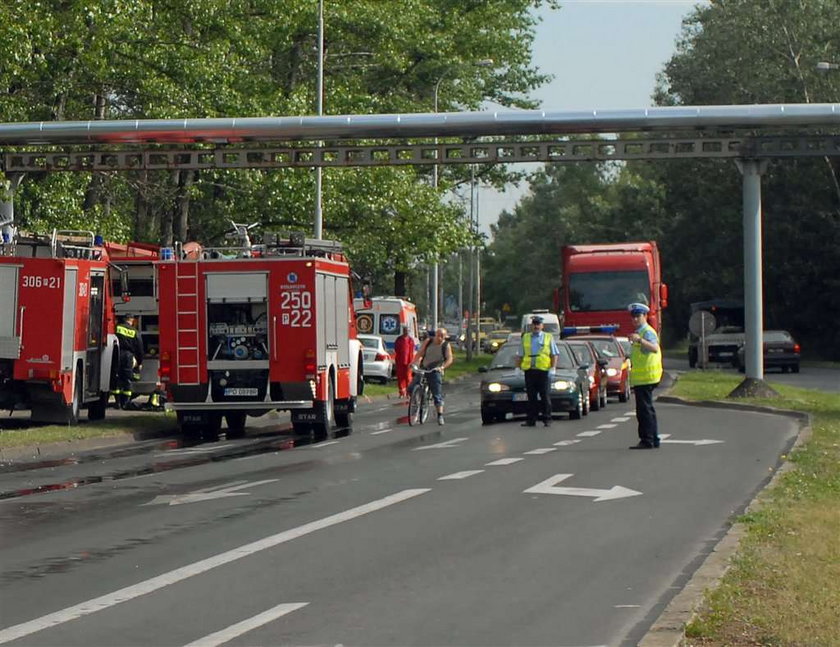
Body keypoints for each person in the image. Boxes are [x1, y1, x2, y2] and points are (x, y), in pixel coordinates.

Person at [627, 302, 663, 449]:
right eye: (633, 317)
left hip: (647, 377)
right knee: (647, 409)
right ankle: (653, 439)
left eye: (638, 316)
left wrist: (639, 340)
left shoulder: (646, 332)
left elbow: (654, 348)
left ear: (645, 316)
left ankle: (647, 439)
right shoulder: (641, 332)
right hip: (643, 378)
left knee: (644, 411)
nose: (635, 319)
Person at [515, 315, 559, 427]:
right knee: (531, 397)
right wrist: (517, 368)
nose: (536, 326)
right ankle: (531, 420)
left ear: (542, 326)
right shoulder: (525, 337)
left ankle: (547, 418)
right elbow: (519, 354)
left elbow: (554, 354)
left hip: (543, 371)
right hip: (530, 370)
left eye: (538, 324)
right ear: (531, 326)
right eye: (534, 324)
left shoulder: (548, 337)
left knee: (545, 396)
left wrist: (553, 368)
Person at [408, 327, 454, 425]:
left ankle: (440, 415)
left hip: (435, 369)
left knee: (437, 393)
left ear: (445, 337)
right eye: (438, 335)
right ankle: (415, 403)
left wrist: (442, 367)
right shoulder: (428, 342)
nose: (440, 338)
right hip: (424, 367)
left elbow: (449, 359)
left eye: (442, 336)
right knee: (411, 387)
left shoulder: (446, 345)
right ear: (435, 335)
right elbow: (420, 353)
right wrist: (413, 363)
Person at [114, 314, 144, 410]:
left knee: (116, 377)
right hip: (128, 356)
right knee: (127, 378)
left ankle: (117, 402)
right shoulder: (134, 331)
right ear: (130, 320)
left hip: (116, 354)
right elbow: (139, 348)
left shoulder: (117, 327)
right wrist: (139, 362)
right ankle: (125, 403)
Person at [394, 326, 415, 399]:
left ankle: (409, 393)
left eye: (408, 331)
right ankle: (402, 393)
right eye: (405, 330)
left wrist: (411, 362)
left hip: (408, 362)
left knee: (408, 378)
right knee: (400, 377)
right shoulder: (399, 339)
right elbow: (396, 349)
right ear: (403, 331)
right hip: (400, 361)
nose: (406, 332)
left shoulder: (410, 340)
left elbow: (412, 351)